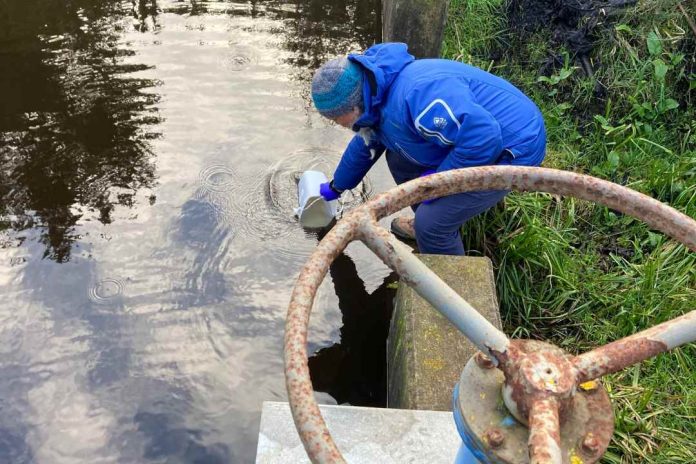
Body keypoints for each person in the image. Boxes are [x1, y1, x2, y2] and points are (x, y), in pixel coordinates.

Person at [311, 42, 546, 255]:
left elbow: (483, 137)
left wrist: (439, 180)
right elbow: (364, 145)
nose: (337, 124)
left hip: (514, 145)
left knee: (432, 224)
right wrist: (336, 186)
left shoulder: (418, 96)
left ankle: (448, 290)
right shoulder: (374, 93)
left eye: (335, 119)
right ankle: (428, 221)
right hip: (477, 134)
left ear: (352, 108)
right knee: (399, 159)